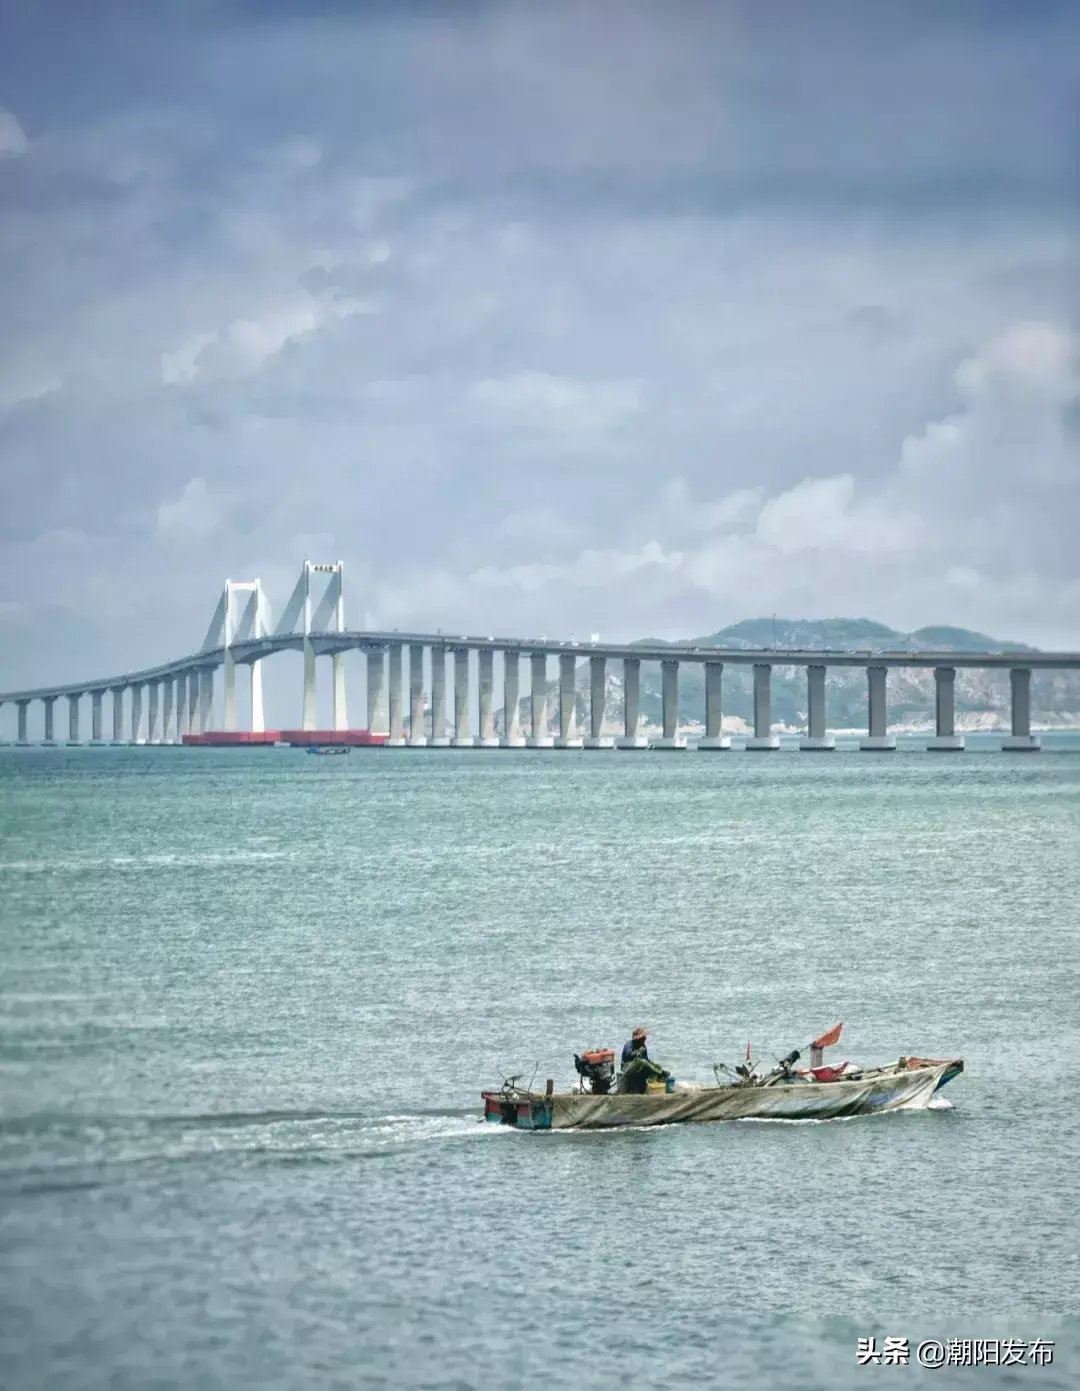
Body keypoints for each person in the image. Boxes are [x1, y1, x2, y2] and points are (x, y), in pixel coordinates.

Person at [619, 1027, 669, 1094]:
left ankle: (655, 1081)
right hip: (626, 1066)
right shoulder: (629, 1044)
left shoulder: (643, 1046)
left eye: (644, 1038)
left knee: (648, 1066)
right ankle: (660, 1072)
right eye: (643, 1038)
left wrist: (655, 1065)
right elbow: (629, 1054)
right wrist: (638, 1051)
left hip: (638, 1066)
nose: (644, 1040)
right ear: (638, 1039)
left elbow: (646, 1059)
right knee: (641, 1061)